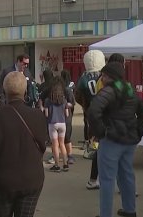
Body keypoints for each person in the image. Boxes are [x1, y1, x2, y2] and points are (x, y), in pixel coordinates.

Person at [0, 71, 48, 217]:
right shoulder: (37, 115)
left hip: (1, 180)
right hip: (31, 179)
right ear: (25, 90)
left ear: (4, 91)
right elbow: (43, 146)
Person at [88, 62, 143, 217]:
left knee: (107, 180)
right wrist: (138, 131)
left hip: (112, 140)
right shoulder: (130, 90)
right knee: (126, 175)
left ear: (108, 77)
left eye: (103, 75)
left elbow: (93, 111)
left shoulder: (108, 90)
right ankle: (130, 210)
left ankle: (105, 214)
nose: (101, 78)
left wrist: (101, 132)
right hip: (129, 141)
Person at [74, 50, 106, 189]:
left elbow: (77, 96)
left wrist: (86, 106)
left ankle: (94, 178)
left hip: (91, 114)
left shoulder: (82, 78)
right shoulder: (104, 76)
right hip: (105, 114)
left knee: (98, 145)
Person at [44, 76, 70, 172]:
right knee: (62, 144)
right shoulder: (64, 100)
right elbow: (67, 114)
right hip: (62, 123)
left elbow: (46, 114)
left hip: (52, 123)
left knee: (55, 145)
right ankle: (65, 164)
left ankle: (57, 165)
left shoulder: (48, 101)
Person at [61, 69, 76, 164]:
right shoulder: (72, 84)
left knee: (64, 135)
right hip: (66, 112)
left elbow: (73, 101)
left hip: (65, 113)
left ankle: (69, 155)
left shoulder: (65, 88)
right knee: (63, 135)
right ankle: (63, 155)